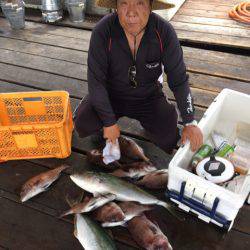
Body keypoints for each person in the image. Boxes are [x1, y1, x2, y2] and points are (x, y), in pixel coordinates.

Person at [74, 0, 203, 154]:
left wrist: (189, 121)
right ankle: (102, 127)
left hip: (148, 96)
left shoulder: (164, 32)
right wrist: (109, 122)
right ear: (116, 6)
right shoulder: (102, 30)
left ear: (150, 7)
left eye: (140, 3)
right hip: (111, 94)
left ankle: (147, 125)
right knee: (82, 121)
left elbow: (179, 80)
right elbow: (96, 82)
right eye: (124, 3)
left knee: (169, 137)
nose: (131, 12)